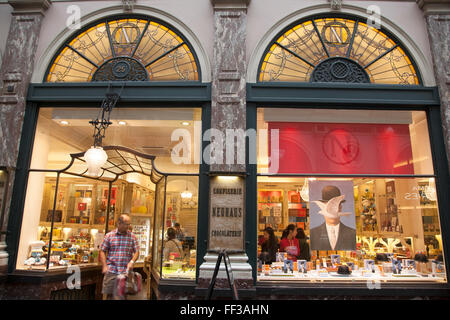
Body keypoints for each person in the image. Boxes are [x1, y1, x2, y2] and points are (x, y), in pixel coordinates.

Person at [100, 214, 139, 300]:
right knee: (109, 296)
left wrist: (132, 262)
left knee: (122, 296)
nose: (129, 226)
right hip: (111, 270)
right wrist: (104, 266)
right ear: (119, 223)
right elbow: (102, 250)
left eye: (129, 224)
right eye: (127, 224)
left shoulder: (132, 237)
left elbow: (137, 252)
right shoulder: (109, 236)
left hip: (125, 272)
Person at [310, 185, 356, 251]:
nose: (331, 211)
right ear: (321, 207)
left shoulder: (352, 234)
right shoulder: (313, 234)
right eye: (327, 206)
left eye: (334, 205)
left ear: (340, 207)